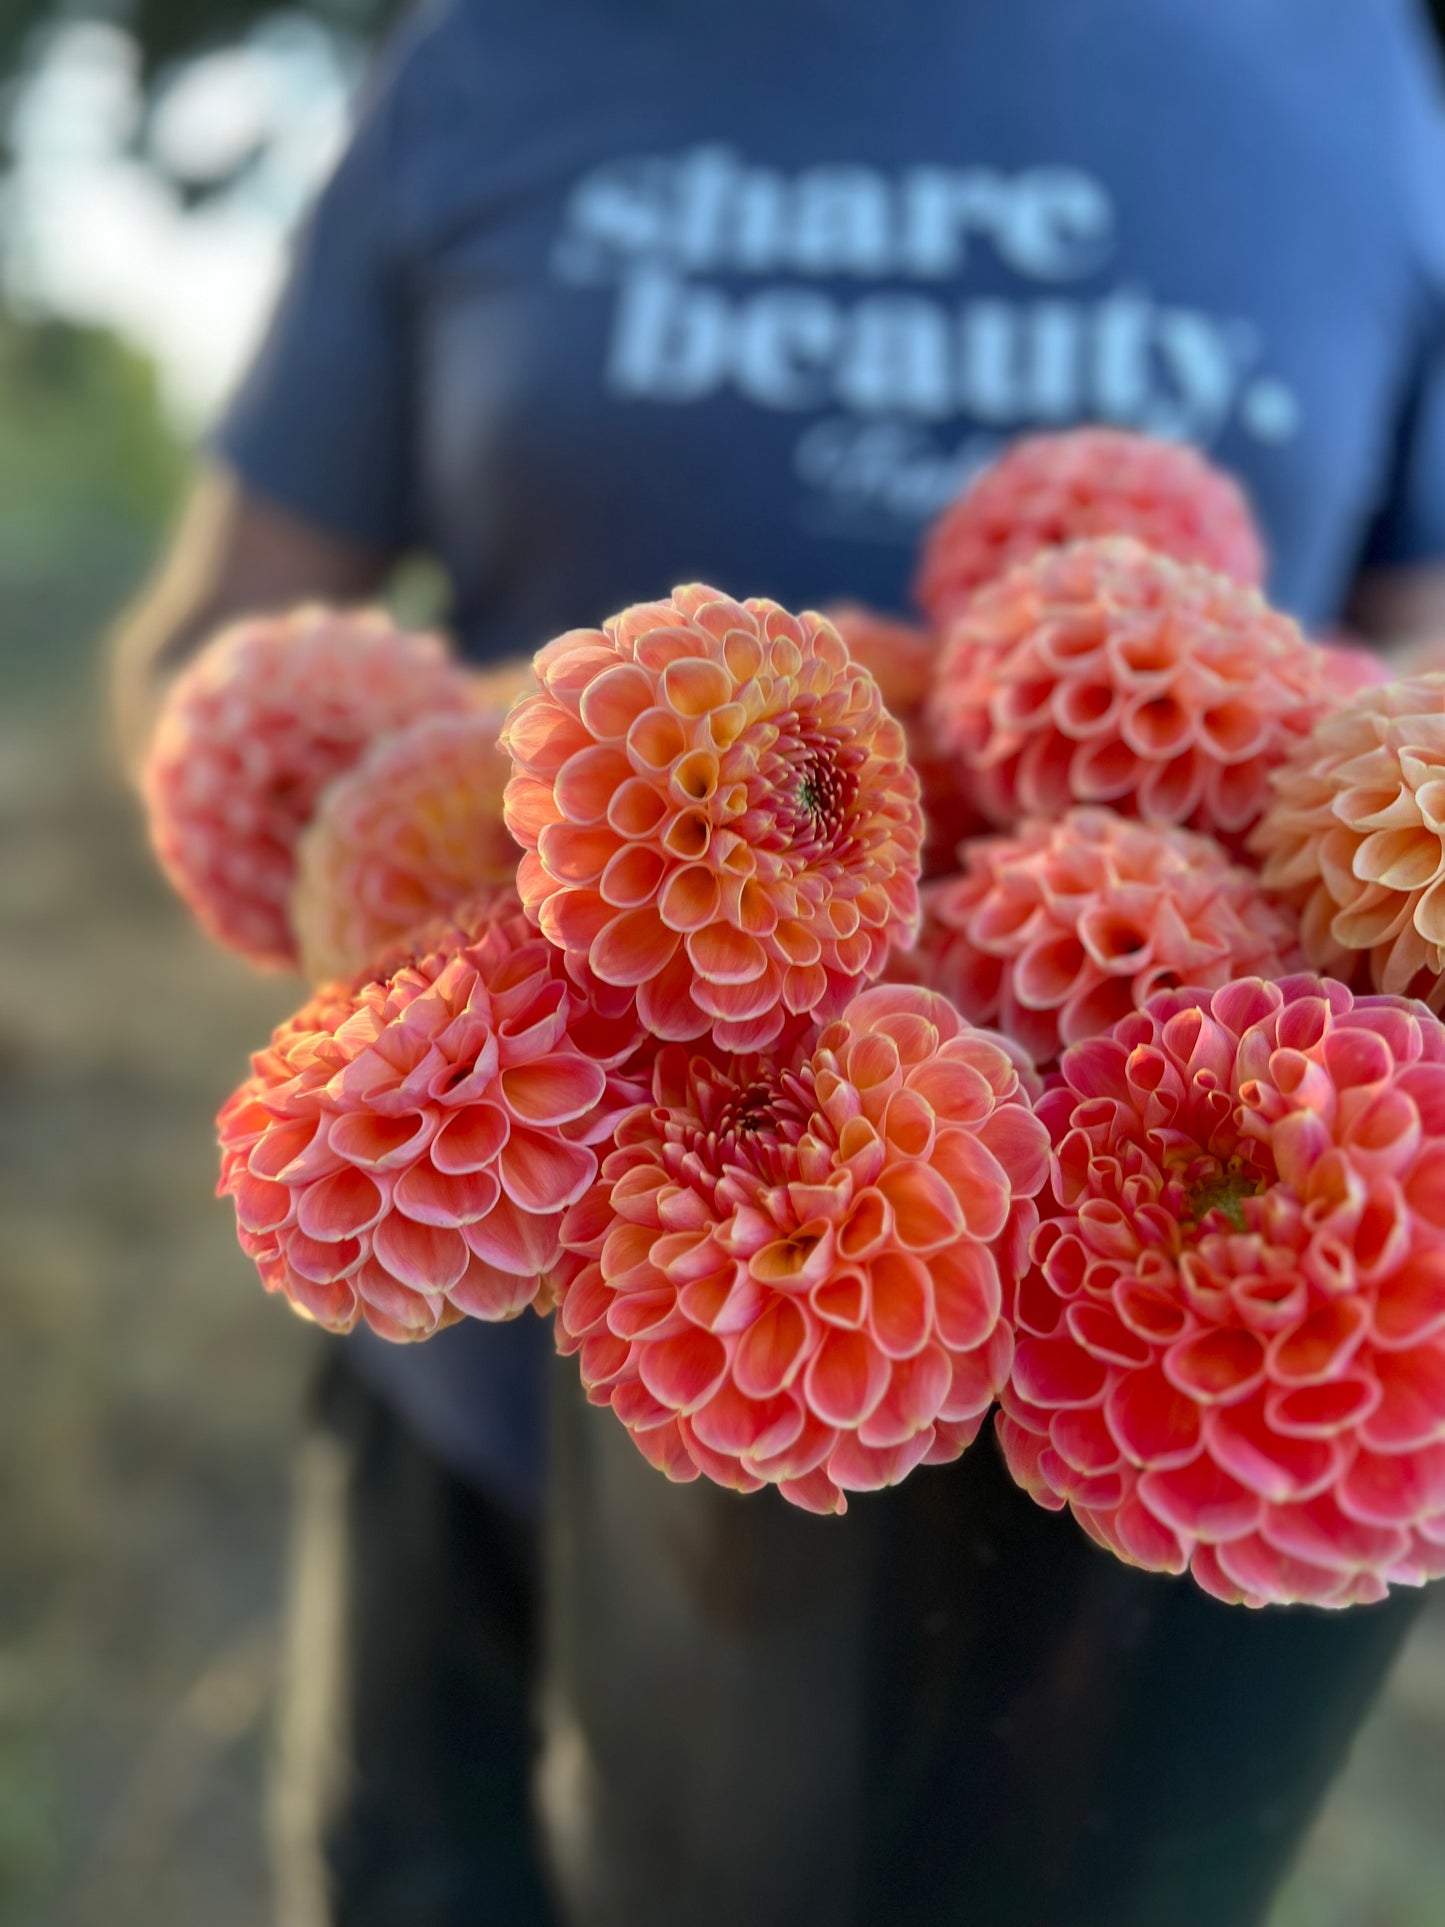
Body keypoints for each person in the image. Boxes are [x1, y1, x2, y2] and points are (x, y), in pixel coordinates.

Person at [111, 1, 1445, 1920]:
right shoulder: (487, 54)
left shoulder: (1355, 65)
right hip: (494, 1431)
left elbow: (1405, 673)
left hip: (1077, 1659)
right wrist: (391, 891)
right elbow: (208, 641)